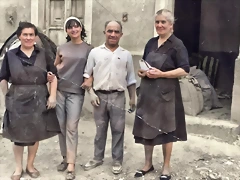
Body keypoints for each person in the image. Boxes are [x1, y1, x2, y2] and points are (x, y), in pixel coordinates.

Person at [132, 9, 190, 180]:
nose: (159, 25)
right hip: (148, 92)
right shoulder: (151, 42)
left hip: (166, 95)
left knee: (166, 130)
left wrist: (162, 74)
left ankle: (166, 167)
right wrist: (143, 73)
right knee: (146, 128)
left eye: (163, 22)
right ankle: (148, 164)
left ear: (171, 25)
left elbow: (184, 70)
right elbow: (143, 64)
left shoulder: (177, 44)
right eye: (157, 22)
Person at [0, 22, 60, 180]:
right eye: (25, 34)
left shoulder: (43, 54)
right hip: (17, 98)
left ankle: (30, 165)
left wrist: (52, 96)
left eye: (31, 35)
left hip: (38, 98)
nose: (28, 38)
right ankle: (18, 168)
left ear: (35, 36)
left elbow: (54, 78)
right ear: (19, 36)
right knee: (17, 135)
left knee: (35, 133)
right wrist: (8, 97)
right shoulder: (10, 55)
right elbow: (3, 79)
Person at [83, 20, 136, 174]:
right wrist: (91, 93)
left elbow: (131, 79)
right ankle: (97, 157)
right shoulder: (95, 53)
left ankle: (117, 160)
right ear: (104, 32)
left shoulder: (126, 55)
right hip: (99, 96)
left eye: (116, 31)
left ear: (121, 34)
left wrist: (133, 98)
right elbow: (87, 75)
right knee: (100, 130)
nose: (113, 34)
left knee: (118, 129)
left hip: (118, 96)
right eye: (110, 31)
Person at [48, 17, 93, 180]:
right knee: (60, 127)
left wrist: (90, 80)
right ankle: (65, 158)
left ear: (81, 28)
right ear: (66, 31)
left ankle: (71, 165)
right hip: (60, 91)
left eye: (76, 26)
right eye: (70, 27)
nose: (73, 29)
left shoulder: (88, 49)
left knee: (71, 127)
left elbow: (92, 69)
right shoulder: (62, 47)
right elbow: (55, 68)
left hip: (76, 93)